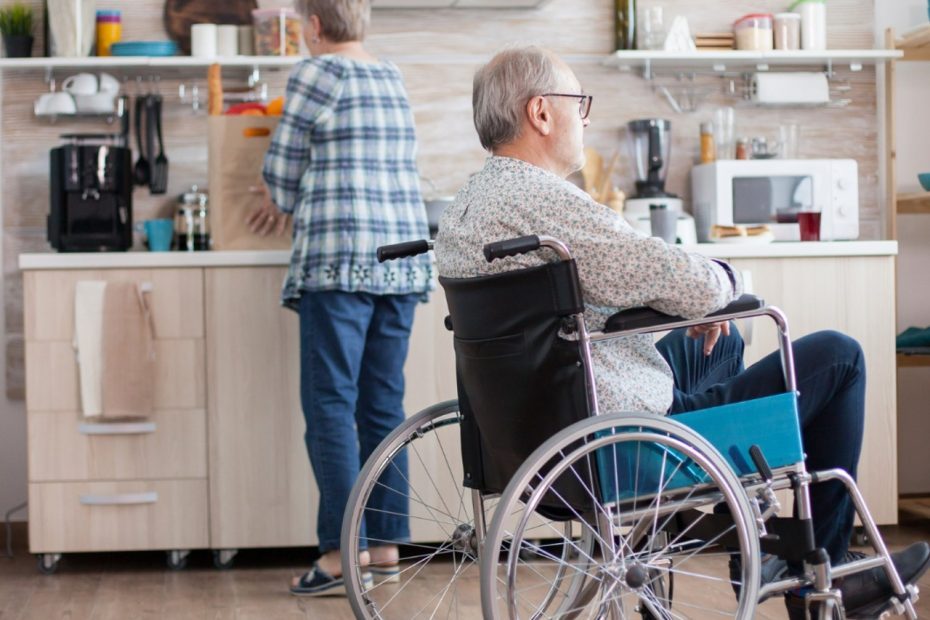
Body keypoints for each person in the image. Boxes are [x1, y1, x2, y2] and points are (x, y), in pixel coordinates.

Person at [433, 45, 929, 618]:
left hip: (536, 433)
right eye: (579, 103)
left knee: (727, 342)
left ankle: (751, 531)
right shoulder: (544, 201)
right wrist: (725, 282)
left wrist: (698, 308)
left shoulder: (468, 205)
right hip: (619, 440)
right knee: (840, 358)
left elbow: (636, 275)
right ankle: (819, 573)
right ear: (541, 113)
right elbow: (672, 275)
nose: (586, 117)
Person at [255, 0, 432, 597]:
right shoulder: (391, 75)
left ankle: (338, 554)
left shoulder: (315, 73)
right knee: (382, 404)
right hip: (401, 262)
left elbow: (279, 174)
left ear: (312, 26)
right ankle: (384, 548)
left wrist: (275, 197)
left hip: (340, 260)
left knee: (331, 403)